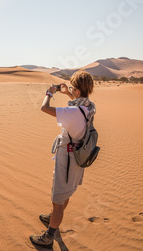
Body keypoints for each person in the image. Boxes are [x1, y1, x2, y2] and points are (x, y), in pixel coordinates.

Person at [29, 70, 96, 247]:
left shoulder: (73, 112)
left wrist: (49, 93)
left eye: (73, 88)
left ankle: (49, 236)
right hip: (77, 159)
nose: (71, 90)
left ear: (78, 91)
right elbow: (77, 104)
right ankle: (53, 219)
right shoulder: (89, 107)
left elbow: (44, 108)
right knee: (65, 193)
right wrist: (67, 92)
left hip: (67, 161)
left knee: (57, 200)